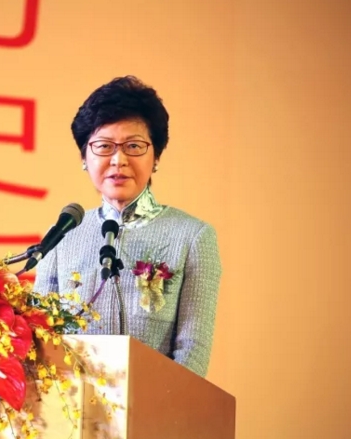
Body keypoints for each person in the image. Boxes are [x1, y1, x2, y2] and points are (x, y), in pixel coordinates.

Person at [33, 75, 222, 377]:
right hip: (73, 400)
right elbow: (41, 337)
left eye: (134, 146)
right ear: (84, 157)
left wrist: (158, 401)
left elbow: (193, 349)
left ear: (156, 156)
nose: (118, 160)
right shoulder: (62, 236)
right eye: (104, 146)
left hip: (155, 401)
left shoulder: (193, 237)